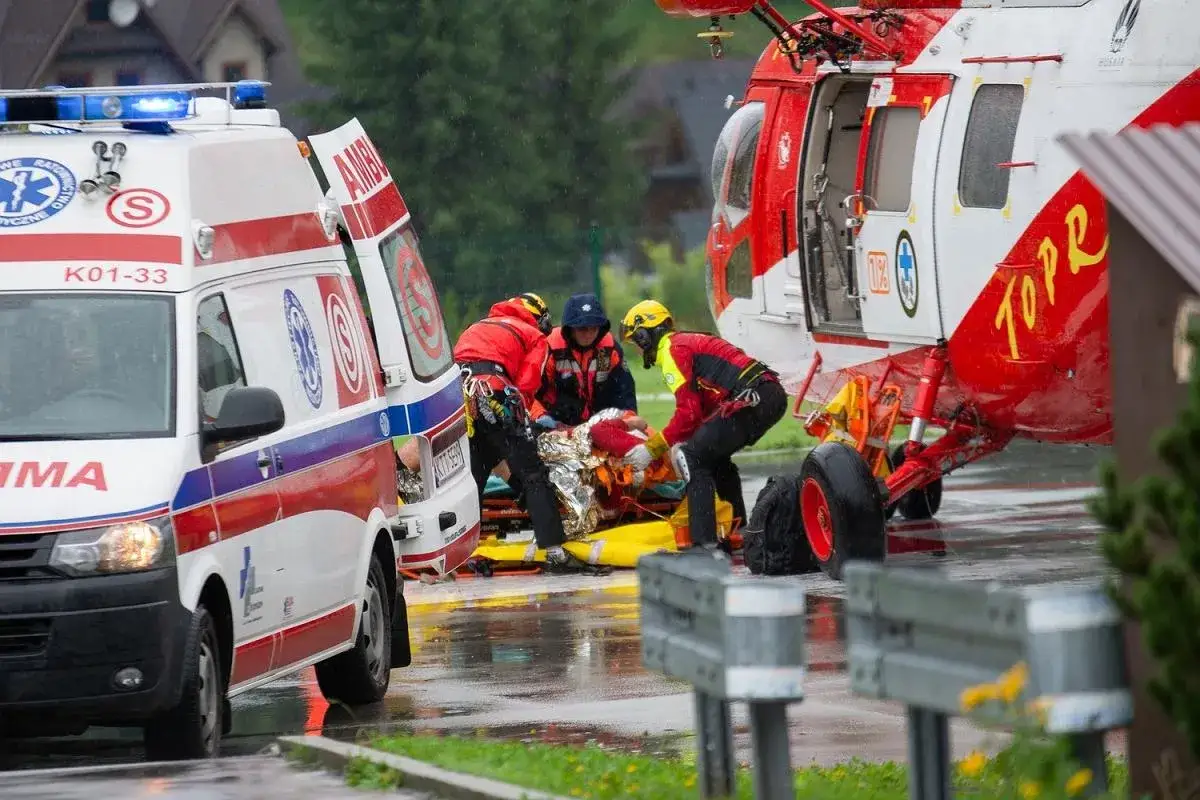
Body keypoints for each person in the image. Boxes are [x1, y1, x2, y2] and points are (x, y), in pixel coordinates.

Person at [618, 300, 787, 552]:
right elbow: (699, 415)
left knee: (692, 456)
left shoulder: (671, 350)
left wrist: (652, 448)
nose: (639, 350)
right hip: (766, 394)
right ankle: (736, 531)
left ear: (645, 336)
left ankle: (703, 544)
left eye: (636, 341)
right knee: (713, 457)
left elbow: (688, 414)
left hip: (752, 398)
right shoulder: (686, 342)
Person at [453, 292, 580, 571]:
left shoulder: (477, 326)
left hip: (459, 397)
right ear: (539, 319)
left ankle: (459, 555)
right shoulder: (532, 335)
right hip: (494, 392)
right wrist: (523, 423)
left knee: (474, 474)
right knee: (533, 472)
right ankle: (555, 551)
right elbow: (526, 384)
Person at [533, 293, 637, 430]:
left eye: (594, 328)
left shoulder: (610, 348)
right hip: (557, 427)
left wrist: (627, 422)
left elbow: (625, 392)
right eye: (582, 328)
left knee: (644, 434)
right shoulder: (551, 347)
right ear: (570, 329)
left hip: (602, 427)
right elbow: (531, 393)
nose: (588, 334)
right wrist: (542, 418)